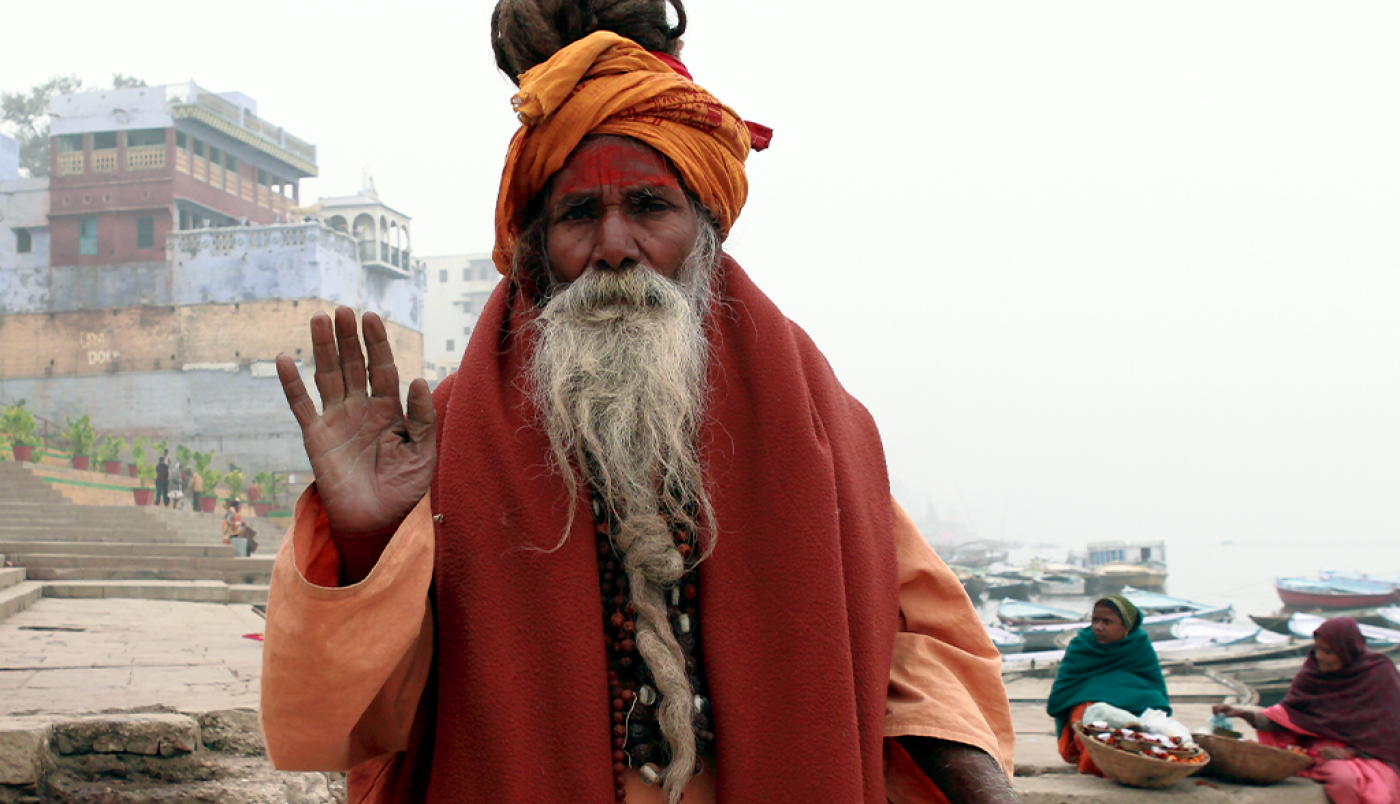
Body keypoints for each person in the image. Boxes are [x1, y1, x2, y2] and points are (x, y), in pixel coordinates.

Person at [259, 3, 1018, 803]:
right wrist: (369, 541)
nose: (615, 247)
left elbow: (915, 646)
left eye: (650, 208)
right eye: (579, 215)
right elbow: (340, 727)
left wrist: (980, 784)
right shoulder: (445, 435)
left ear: (705, 230)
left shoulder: (817, 423)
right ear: (536, 249)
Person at [1215, 618, 1400, 804]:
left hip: (1366, 754)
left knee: (1346, 781)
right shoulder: (1313, 673)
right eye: (1317, 648)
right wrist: (1247, 715)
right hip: (1315, 751)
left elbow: (1390, 730)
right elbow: (1292, 716)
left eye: (1328, 652)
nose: (1319, 656)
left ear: (1347, 650)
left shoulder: (1378, 672)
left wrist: (1349, 753)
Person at [1046, 595, 1170, 777]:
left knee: (1150, 718)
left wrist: (1114, 691)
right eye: (1095, 620)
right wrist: (1097, 692)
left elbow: (1154, 690)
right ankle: (1094, 764)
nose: (1098, 627)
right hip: (1088, 705)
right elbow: (1062, 693)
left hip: (1133, 706)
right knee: (1086, 712)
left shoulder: (1139, 645)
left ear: (1126, 626)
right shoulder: (1081, 646)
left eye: (1107, 621)